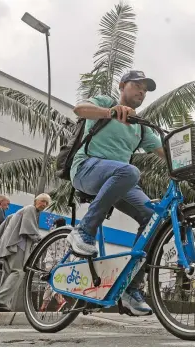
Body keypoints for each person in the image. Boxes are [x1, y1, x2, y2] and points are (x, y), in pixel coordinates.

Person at [66, 71, 165, 316]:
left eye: (145, 89)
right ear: (122, 86)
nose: (141, 92)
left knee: (154, 219)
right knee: (130, 171)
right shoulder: (105, 102)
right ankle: (83, 231)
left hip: (120, 178)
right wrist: (110, 112)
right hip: (86, 168)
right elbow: (79, 109)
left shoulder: (140, 128)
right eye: (137, 86)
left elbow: (166, 153)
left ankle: (130, 288)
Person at [0, 194, 50, 311]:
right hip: (18, 246)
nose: (44, 205)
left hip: (8, 247)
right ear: (36, 200)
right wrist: (41, 238)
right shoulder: (30, 209)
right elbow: (29, 229)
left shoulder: (21, 211)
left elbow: (5, 225)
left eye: (47, 203)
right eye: (43, 201)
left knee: (7, 274)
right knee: (18, 272)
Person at [40, 218, 68, 312]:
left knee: (50, 282)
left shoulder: (51, 233)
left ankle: (60, 300)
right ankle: (43, 307)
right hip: (61, 262)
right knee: (53, 282)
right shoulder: (67, 234)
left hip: (50, 261)